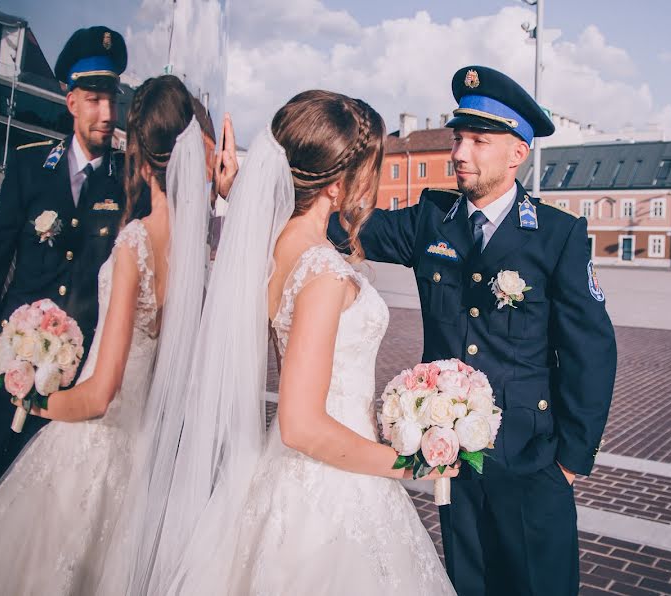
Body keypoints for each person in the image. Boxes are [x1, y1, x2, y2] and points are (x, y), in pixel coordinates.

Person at [133, 90, 457, 596]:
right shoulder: (323, 270)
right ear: (334, 185)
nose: (371, 183)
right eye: (369, 168)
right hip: (330, 488)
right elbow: (302, 425)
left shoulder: (271, 247)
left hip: (290, 474)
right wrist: (411, 462)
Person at [328, 66, 618, 595]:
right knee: (469, 584)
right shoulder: (429, 220)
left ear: (517, 153)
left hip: (533, 462)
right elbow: (338, 225)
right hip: (454, 463)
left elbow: (592, 353)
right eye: (459, 137)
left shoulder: (557, 236)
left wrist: (571, 463)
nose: (460, 152)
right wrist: (262, 189)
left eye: (479, 141)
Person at [0, 75, 209, 596]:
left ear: (138, 145)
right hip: (141, 446)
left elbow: (99, 393)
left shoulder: (135, 239)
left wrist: (28, 394)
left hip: (90, 427)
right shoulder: (200, 250)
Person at [0, 26, 128, 542]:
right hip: (5, 372)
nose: (107, 114)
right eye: (94, 100)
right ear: (71, 101)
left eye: (111, 99)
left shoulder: (127, 182)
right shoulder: (30, 165)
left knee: (28, 531)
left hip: (73, 394)